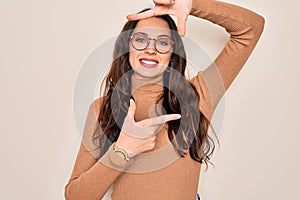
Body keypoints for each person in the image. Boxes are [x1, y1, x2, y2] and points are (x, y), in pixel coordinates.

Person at [65, 0, 264, 199]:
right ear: (127, 47)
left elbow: (251, 28)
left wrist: (191, 4)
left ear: (172, 52)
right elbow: (75, 196)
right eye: (141, 40)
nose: (151, 49)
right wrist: (123, 150)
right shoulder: (102, 109)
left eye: (162, 42)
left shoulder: (197, 96)